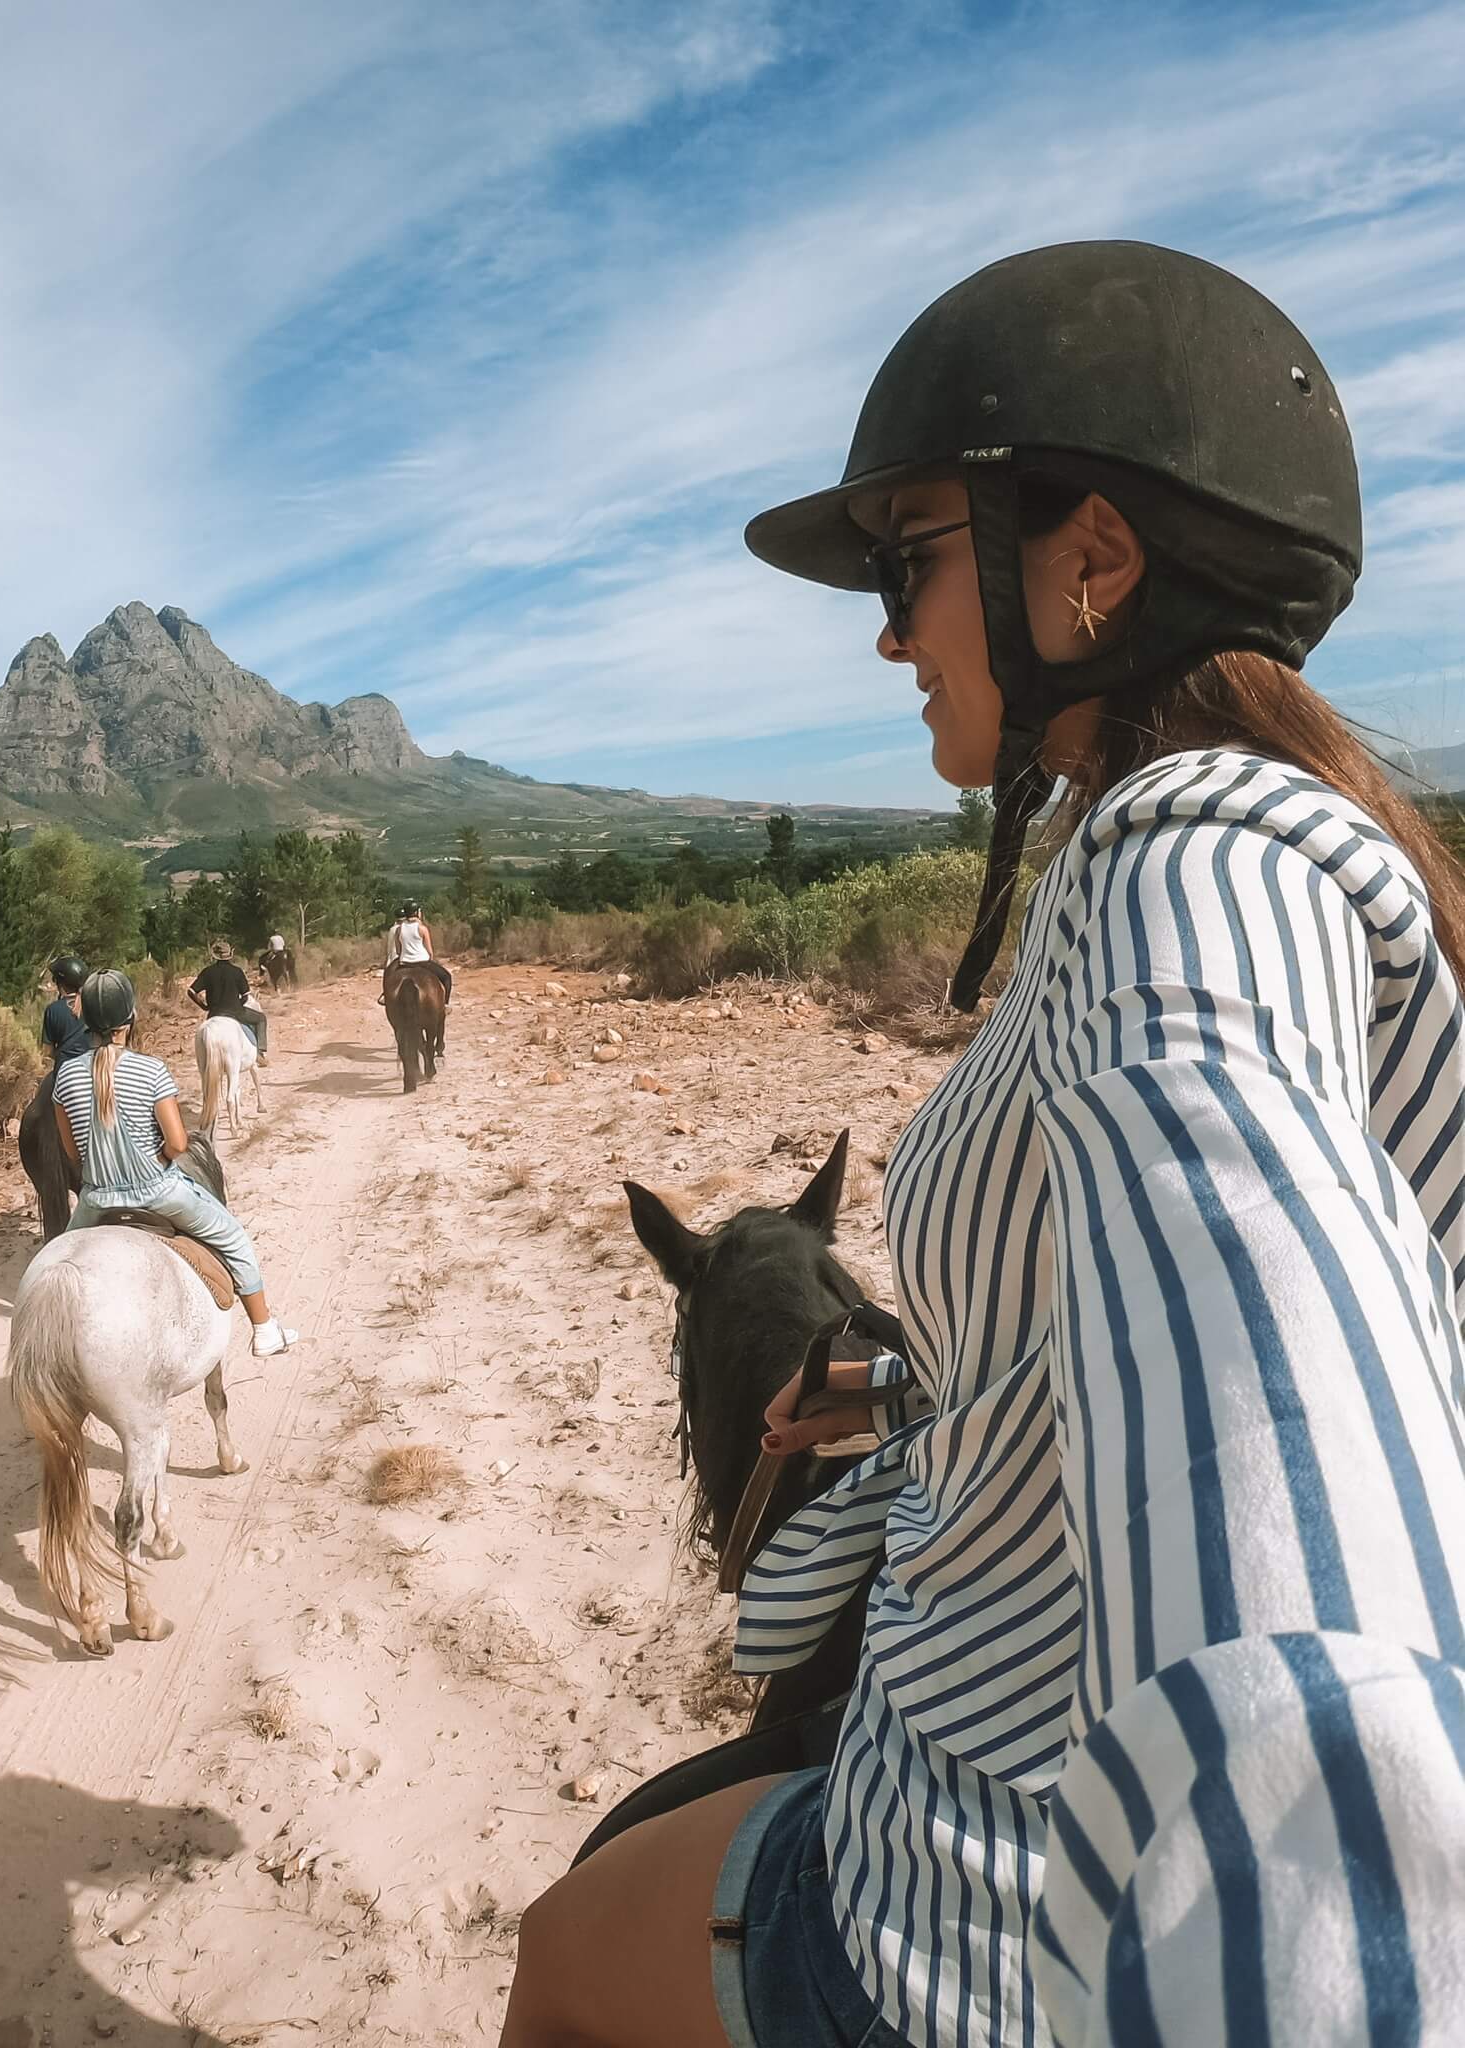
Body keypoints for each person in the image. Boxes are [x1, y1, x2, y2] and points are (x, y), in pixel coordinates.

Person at [500, 242, 1465, 2047]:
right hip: (1029, 1765)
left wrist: (1308, 1957)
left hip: (987, 1907)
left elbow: (1299, 1544)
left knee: (565, 1959)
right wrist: (906, 1371)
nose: (884, 626)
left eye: (908, 556)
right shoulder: (1255, 848)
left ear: (1088, 565)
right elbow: (1121, 1296)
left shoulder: (1194, 880)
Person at [53, 969, 297, 1357]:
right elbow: (179, 1142)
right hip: (159, 1192)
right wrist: (155, 1160)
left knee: (55, 1269)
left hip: (95, 1200)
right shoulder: (150, 1070)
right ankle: (265, 1328)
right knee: (233, 1238)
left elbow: (71, 1152)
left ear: (85, 1022)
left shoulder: (64, 1075)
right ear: (130, 1017)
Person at [188, 938, 268, 1064]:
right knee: (261, 1018)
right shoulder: (237, 971)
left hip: (214, 1013)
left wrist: (204, 1006)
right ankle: (260, 1052)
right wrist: (237, 1005)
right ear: (230, 955)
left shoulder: (208, 971)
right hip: (235, 1012)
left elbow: (191, 991)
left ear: (215, 956)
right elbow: (246, 996)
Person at [385, 899, 452, 1002]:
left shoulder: (398, 929)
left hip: (404, 963)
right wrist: (431, 959)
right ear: (417, 913)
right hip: (422, 962)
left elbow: (398, 951)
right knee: (447, 977)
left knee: (388, 977)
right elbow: (429, 951)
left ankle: (385, 997)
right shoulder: (422, 929)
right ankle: (446, 1004)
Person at [40, 954, 90, 1067]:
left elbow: (47, 1052)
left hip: (64, 1070)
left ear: (60, 983)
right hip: (94, 1068)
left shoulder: (53, 1010)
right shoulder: (94, 1005)